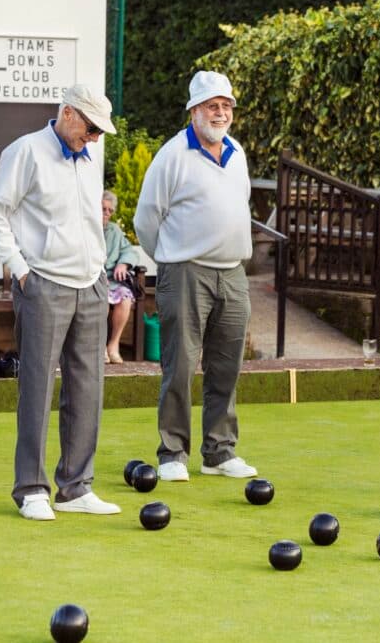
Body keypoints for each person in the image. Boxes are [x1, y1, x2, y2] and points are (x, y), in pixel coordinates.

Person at [0, 84, 121, 521]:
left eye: (100, 131)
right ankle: (30, 489)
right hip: (43, 284)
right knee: (37, 389)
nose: (96, 138)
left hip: (90, 284)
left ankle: (76, 486)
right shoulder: (25, 152)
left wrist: (98, 268)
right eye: (92, 128)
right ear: (68, 113)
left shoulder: (90, 154)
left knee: (87, 389)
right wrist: (21, 271)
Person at [134, 70, 258, 482]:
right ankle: (172, 453)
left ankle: (219, 452)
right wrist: (170, 259)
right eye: (211, 106)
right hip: (187, 272)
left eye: (225, 106)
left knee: (227, 366)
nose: (220, 113)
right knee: (181, 365)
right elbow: (146, 218)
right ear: (194, 112)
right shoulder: (172, 155)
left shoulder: (236, 152)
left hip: (233, 273)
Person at [102, 190, 138, 364]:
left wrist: (123, 263)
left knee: (125, 298)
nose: (107, 213)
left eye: (110, 210)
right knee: (99, 297)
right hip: (93, 280)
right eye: (103, 209)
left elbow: (129, 251)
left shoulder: (115, 231)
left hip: (112, 281)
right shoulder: (86, 227)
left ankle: (113, 345)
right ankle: (99, 346)